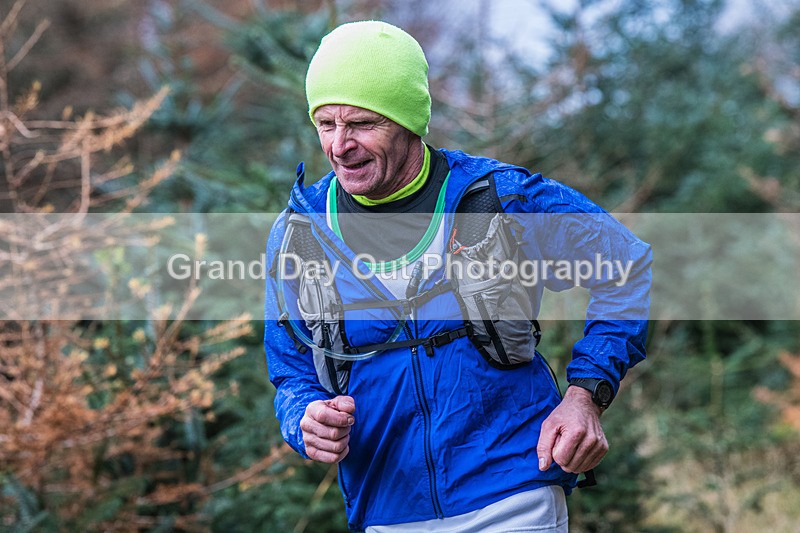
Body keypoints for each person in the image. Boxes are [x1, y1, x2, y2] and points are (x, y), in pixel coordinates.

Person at [264, 20, 651, 532]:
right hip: (387, 507)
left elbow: (625, 265)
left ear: (408, 121)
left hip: (512, 492)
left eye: (360, 124)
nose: (339, 145)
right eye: (326, 124)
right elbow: (290, 368)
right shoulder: (300, 232)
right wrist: (304, 418)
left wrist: (585, 396)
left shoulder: (502, 199)